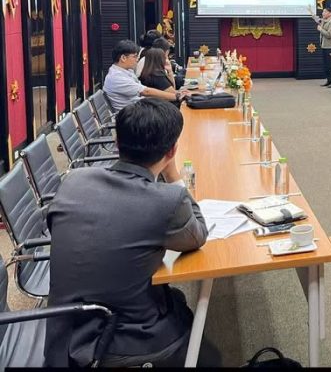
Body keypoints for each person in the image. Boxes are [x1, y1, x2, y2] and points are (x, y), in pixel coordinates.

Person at [45, 98, 216, 367]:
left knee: (174, 298)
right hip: (117, 341)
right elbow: (198, 235)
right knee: (186, 320)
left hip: (62, 335)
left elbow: (56, 226)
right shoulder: (167, 200)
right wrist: (173, 176)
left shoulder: (74, 181)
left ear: (117, 142)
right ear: (172, 151)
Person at [103, 39, 185, 111]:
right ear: (123, 58)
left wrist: (177, 95)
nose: (137, 59)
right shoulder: (116, 77)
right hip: (131, 116)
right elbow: (146, 91)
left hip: (138, 109)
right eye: (135, 56)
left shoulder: (126, 71)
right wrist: (177, 96)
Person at [310, 6, 331, 86]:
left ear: (330, 13)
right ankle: (329, 80)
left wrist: (320, 29)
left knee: (330, 65)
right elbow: (317, 20)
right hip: (324, 46)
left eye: (325, 12)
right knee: (326, 65)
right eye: (323, 12)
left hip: (330, 47)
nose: (323, 13)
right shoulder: (324, 21)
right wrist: (311, 12)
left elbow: (329, 35)